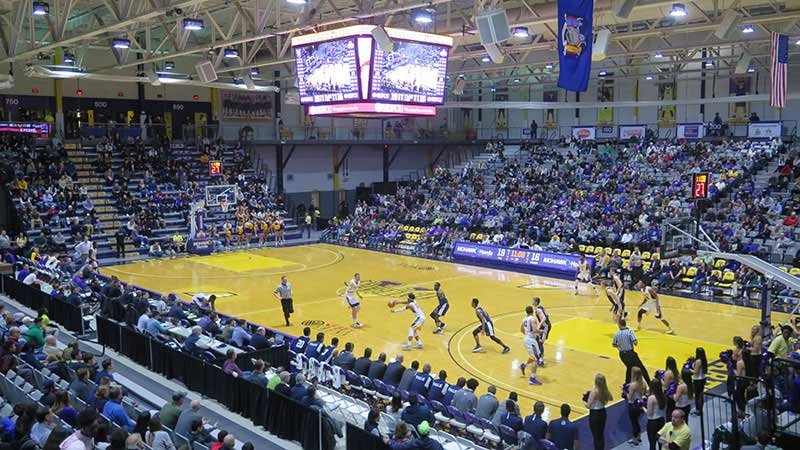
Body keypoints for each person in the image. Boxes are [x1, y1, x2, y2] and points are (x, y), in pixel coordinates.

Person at [613, 318, 650, 384]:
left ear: (619, 325)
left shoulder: (616, 334)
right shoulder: (629, 332)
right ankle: (649, 383)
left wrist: (620, 347)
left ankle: (626, 384)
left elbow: (614, 344)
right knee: (641, 368)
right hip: (630, 353)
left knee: (629, 367)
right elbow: (635, 342)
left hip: (622, 355)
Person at [585, 373, 612, 450]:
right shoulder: (605, 390)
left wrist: (584, 401)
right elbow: (610, 398)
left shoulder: (594, 392)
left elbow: (588, 406)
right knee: (601, 434)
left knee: (596, 436)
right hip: (602, 412)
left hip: (595, 414)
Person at [519, 305, 542, 385]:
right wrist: (542, 331)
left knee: (534, 356)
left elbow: (521, 330)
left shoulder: (524, 319)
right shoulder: (532, 319)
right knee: (536, 359)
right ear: (532, 311)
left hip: (527, 339)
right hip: (531, 340)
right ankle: (532, 378)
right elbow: (535, 330)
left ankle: (523, 365)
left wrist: (528, 334)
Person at [645, 379, 667, 450]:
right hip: (661, 420)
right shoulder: (663, 395)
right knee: (661, 441)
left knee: (652, 443)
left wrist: (642, 407)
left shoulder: (651, 398)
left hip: (652, 423)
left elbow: (649, 414)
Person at [627, 367, 647, 445]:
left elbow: (630, 397)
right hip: (640, 404)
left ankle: (635, 439)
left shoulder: (633, 385)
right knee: (637, 421)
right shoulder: (643, 382)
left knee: (634, 422)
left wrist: (625, 391)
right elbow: (645, 392)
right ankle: (638, 436)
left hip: (633, 405)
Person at [532, 297, 552, 365]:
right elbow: (547, 315)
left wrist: (539, 326)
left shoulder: (538, 310)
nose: (532, 302)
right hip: (546, 326)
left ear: (536, 302)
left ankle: (541, 360)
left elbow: (544, 318)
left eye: (533, 301)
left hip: (545, 327)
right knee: (538, 341)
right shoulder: (541, 307)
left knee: (540, 342)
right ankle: (540, 357)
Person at [692, 347, 708, 415]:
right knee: (700, 395)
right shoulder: (704, 359)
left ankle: (698, 409)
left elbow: (695, 372)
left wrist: (687, 369)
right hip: (702, 379)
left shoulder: (698, 361)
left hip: (698, 380)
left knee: (698, 395)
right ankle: (699, 409)